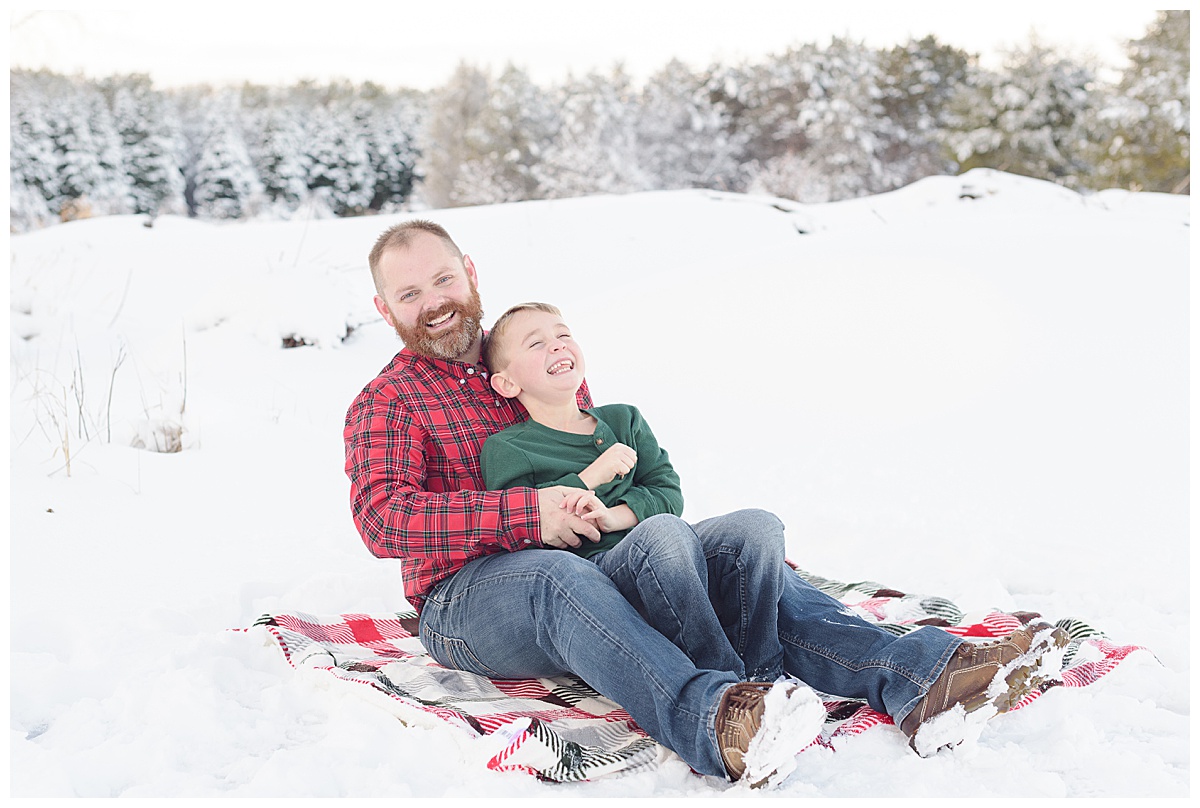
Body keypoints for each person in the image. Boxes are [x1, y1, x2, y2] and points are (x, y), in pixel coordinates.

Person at [343, 219, 1069, 785]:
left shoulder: (529, 356)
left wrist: (647, 533)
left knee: (734, 546)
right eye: (410, 294)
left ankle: (920, 677)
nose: (433, 301)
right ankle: (717, 718)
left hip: (593, 566)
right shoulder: (390, 402)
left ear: (469, 273)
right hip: (472, 601)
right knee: (548, 574)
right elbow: (382, 517)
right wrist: (529, 517)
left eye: (443, 278)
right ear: (385, 309)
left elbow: (628, 485)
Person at [479, 301, 682, 560]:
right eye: (536, 343)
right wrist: (592, 475)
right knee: (666, 534)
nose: (558, 344)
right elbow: (524, 527)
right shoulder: (508, 449)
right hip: (592, 567)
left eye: (563, 335)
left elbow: (669, 494)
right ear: (507, 383)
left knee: (746, 525)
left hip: (667, 545)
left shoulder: (625, 419)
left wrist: (612, 518)